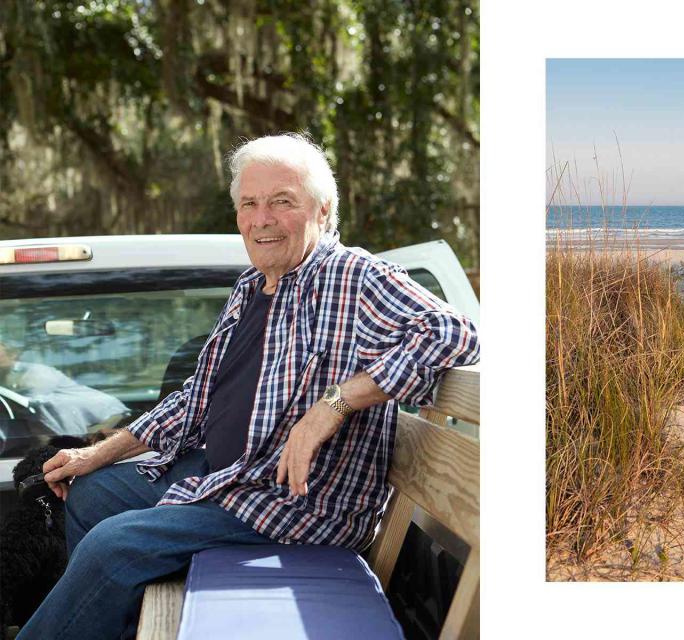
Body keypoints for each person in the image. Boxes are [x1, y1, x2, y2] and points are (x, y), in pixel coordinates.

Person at [17, 133, 480, 639]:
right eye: (249, 204)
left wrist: (334, 405)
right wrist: (95, 454)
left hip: (292, 500)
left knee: (114, 546)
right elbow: (196, 400)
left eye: (282, 202)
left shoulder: (353, 275)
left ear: (322, 212)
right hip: (229, 472)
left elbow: (455, 332)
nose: (262, 218)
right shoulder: (250, 286)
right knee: (92, 493)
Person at [0, 340, 129, 436]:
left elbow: (31, 405)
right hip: (64, 425)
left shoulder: (35, 372)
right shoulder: (4, 374)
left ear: (13, 355)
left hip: (104, 417)